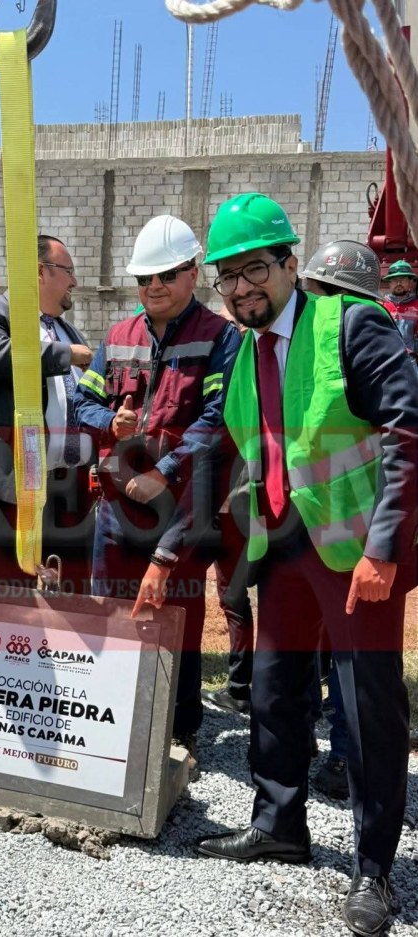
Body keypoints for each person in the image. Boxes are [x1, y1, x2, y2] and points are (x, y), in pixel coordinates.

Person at [195, 193, 418, 937]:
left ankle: (374, 867)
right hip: (286, 544)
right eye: (225, 276)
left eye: (254, 268)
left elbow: (404, 434)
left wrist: (384, 547)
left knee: (366, 706)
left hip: (357, 552)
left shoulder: (351, 324)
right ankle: (280, 823)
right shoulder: (245, 346)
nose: (239, 288)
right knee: (273, 688)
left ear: (291, 263)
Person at [74, 214, 242, 777]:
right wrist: (112, 421)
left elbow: (218, 420)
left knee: (178, 619)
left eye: (167, 275)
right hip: (116, 509)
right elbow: (83, 403)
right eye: (146, 279)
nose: (154, 288)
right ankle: (113, 719)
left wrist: (164, 471)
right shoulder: (119, 337)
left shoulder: (221, 339)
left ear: (194, 273)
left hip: (180, 509)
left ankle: (180, 727)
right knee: (111, 614)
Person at [299, 237, 386, 800]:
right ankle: (334, 749)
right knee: (330, 648)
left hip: (349, 522)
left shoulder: (361, 338)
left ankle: (347, 758)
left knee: (349, 655)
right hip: (329, 519)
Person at [0, 235, 95, 594]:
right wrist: (67, 356)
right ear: (39, 272)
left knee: (71, 587)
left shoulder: (67, 330)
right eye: (68, 271)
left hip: (69, 487)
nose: (75, 282)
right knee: (15, 590)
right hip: (13, 485)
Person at [380, 259, 418, 360]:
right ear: (389, 283)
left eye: (402, 279)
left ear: (410, 282)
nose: (398, 283)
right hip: (386, 359)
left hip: (410, 360)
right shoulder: (381, 306)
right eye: (394, 280)